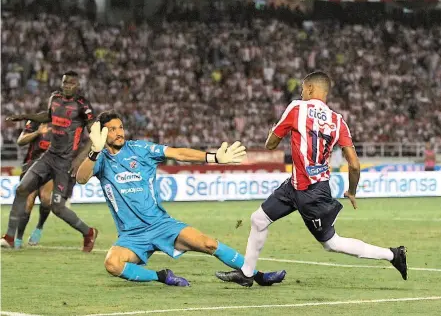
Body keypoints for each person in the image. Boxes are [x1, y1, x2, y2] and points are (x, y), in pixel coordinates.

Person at [216, 71, 407, 287]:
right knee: (258, 220)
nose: (301, 92)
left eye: (302, 89)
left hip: (310, 193)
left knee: (331, 243)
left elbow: (270, 144)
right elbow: (354, 164)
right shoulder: (338, 121)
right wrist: (352, 191)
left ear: (309, 89)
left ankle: (393, 255)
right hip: (299, 186)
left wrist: (276, 132)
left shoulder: (297, 108)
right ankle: (247, 273)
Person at [76, 111, 286, 286]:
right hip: (132, 236)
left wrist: (212, 158)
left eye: (120, 127)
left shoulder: (140, 149)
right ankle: (162, 276)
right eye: (112, 129)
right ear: (102, 133)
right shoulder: (101, 159)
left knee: (209, 244)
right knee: (112, 264)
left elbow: (178, 153)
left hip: (161, 225)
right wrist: (94, 152)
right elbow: (81, 178)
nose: (119, 132)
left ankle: (258, 276)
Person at [2, 71, 98, 252]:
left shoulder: (83, 105)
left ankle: (88, 232)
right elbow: (47, 116)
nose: (67, 86)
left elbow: (95, 136)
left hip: (65, 162)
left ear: (78, 85)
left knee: (57, 207)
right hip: (49, 156)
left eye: (71, 83)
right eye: (65, 83)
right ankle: (9, 236)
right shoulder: (54, 98)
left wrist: (79, 159)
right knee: (22, 189)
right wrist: (25, 116)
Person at [1, 121, 53, 248]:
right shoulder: (35, 122)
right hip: (31, 167)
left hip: (51, 168)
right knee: (28, 203)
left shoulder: (63, 125)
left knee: (46, 200)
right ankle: (18, 238)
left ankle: (39, 228)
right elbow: (21, 140)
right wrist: (38, 132)